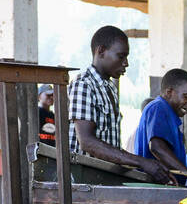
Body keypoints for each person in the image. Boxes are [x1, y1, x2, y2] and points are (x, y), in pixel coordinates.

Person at [68, 25, 174, 184]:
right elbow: (87, 142)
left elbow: (111, 146)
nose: (126, 63)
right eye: (121, 56)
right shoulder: (84, 85)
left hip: (104, 179)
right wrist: (140, 162)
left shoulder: (109, 88)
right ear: (101, 51)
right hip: (83, 182)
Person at [133, 69, 187, 181]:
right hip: (155, 188)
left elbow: (173, 167)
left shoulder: (171, 117)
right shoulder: (158, 107)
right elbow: (157, 147)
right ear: (169, 92)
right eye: (186, 96)